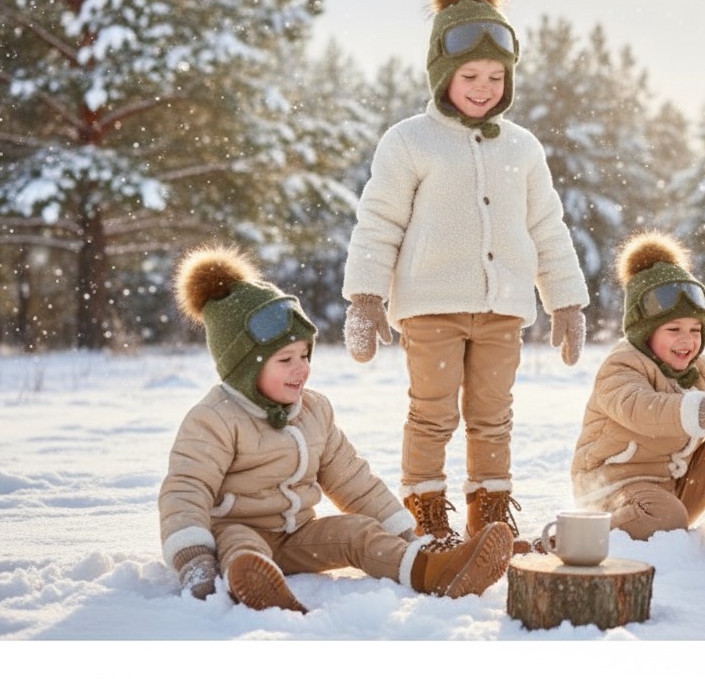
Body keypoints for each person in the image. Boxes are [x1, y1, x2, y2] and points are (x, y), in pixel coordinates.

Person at [341, 0, 589, 553]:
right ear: (442, 75)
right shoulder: (409, 141)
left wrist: (567, 301)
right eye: (470, 74)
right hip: (431, 306)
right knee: (432, 414)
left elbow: (547, 227)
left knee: (492, 416)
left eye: (496, 76)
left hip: (503, 308)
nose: (483, 87)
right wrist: (365, 296)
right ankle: (426, 520)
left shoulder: (525, 148)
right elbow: (378, 223)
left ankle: (491, 521)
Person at [158, 245, 515, 612]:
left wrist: (407, 535)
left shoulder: (314, 411)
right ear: (243, 367)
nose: (301, 368)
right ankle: (255, 584)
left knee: (358, 531)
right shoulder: (215, 418)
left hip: (297, 534)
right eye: (285, 359)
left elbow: (352, 480)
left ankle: (432, 571)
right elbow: (186, 489)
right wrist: (194, 558)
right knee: (240, 543)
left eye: (305, 355)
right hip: (237, 529)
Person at [570, 231, 705, 541]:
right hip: (615, 487)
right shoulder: (621, 366)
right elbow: (642, 409)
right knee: (666, 518)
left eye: (695, 329)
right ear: (644, 331)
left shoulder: (701, 369)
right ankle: (577, 534)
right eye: (673, 329)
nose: (687, 340)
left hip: (674, 487)